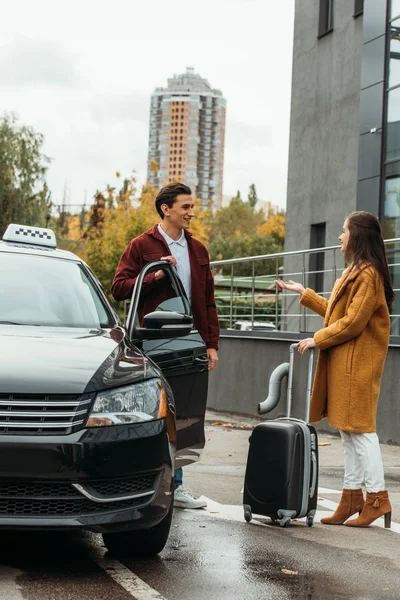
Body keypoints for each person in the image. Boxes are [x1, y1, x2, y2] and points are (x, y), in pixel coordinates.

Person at [275, 211, 393, 528]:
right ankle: (352, 497)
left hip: (358, 365)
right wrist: (305, 294)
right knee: (348, 432)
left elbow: (353, 323)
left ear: (357, 236)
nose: (339, 236)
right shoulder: (357, 271)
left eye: (343, 231)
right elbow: (337, 314)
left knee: (362, 433)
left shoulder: (368, 275)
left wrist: (316, 339)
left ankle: (378, 500)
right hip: (347, 363)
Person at [111, 182, 219, 509]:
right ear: (166, 209)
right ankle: (139, 480)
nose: (191, 212)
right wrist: (153, 278)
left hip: (188, 343)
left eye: (191, 206)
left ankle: (178, 486)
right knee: (152, 413)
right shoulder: (142, 245)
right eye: (185, 207)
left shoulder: (198, 250)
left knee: (184, 414)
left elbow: (209, 302)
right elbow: (118, 288)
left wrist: (211, 344)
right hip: (152, 343)